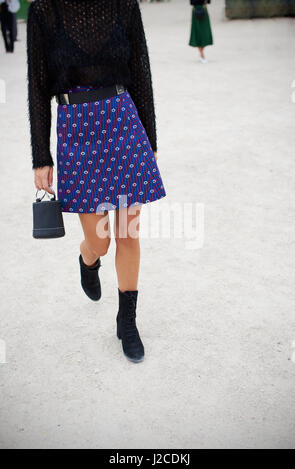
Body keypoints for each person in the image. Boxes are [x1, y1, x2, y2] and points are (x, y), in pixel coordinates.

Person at [26, 0, 167, 364]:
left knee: (128, 233)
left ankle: (128, 320)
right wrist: (41, 156)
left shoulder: (123, 4)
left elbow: (141, 70)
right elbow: (37, 88)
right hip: (75, 129)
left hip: (123, 123)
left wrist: (149, 141)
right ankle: (87, 259)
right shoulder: (44, 11)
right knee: (100, 240)